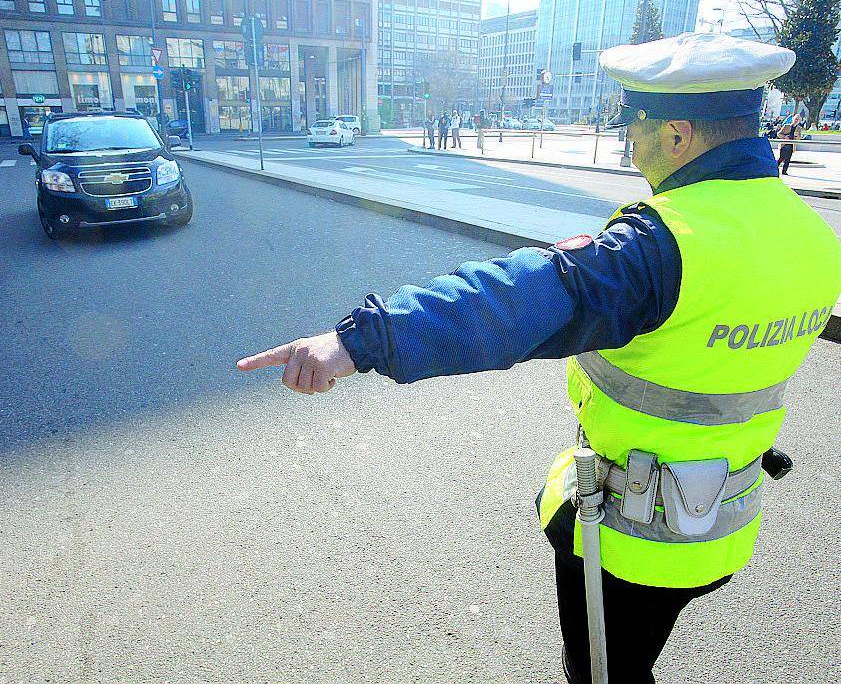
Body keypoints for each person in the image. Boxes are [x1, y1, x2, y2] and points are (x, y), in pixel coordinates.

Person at [236, 33, 841, 683]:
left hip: (632, 537)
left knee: (604, 674)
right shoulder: (807, 232)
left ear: (676, 136)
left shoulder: (662, 244)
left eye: (631, 129)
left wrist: (356, 341)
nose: (625, 147)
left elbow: (510, 299)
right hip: (722, 521)